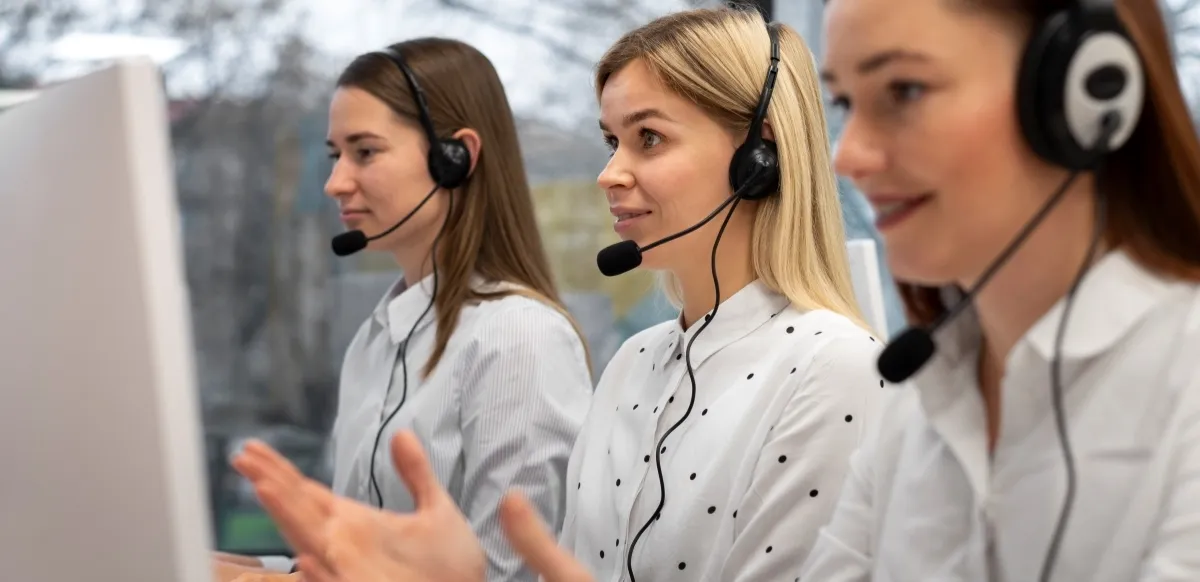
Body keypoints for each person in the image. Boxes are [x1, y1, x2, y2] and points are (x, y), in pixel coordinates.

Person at [234, 6, 886, 582]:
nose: (609, 173)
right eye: (611, 141)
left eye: (647, 138)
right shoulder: (635, 364)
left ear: (758, 157)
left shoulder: (834, 369)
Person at [796, 0, 1200, 580]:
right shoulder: (917, 405)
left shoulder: (1185, 382)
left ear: (1084, 90)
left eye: (904, 90)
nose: (847, 156)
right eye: (844, 103)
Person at [215, 37, 594, 582]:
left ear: (455, 158)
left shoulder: (519, 336)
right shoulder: (375, 338)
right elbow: (353, 560)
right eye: (335, 155)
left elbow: (508, 572)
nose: (335, 182)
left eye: (364, 152)